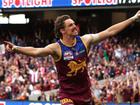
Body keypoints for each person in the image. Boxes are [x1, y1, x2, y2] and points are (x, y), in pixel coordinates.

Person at [4, 10, 140, 105]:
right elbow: (36, 51)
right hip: (67, 95)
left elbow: (110, 31)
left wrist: (133, 18)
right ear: (62, 31)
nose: (75, 26)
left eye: (74, 24)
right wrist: (16, 48)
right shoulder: (56, 48)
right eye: (71, 25)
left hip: (85, 93)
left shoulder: (85, 40)